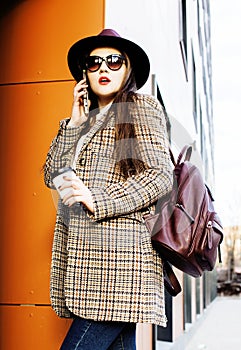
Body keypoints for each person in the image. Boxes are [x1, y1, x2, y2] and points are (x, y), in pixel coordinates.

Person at [44, 28, 172, 350]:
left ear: (128, 69)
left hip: (119, 265)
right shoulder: (83, 122)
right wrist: (73, 126)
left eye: (114, 61)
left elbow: (160, 176)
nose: (103, 68)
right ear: (84, 73)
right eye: (94, 62)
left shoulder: (140, 107)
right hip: (88, 264)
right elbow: (52, 176)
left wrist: (96, 198)